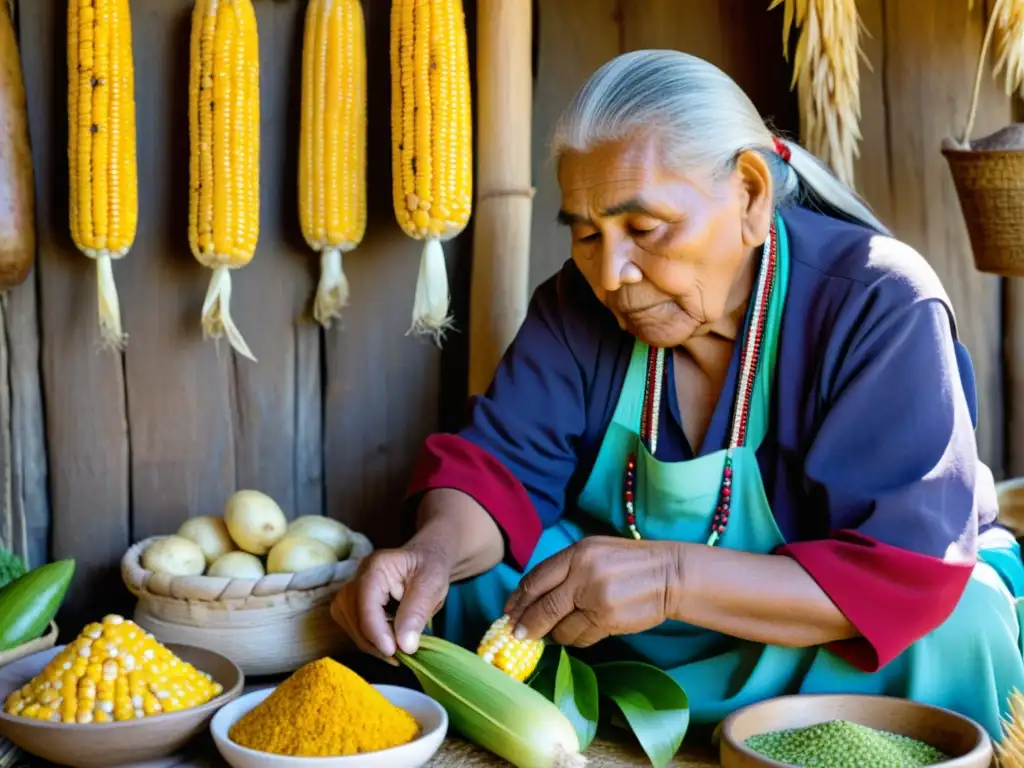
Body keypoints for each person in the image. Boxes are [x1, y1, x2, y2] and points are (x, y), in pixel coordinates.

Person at [331, 49, 1024, 739]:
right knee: (465, 587)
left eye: (643, 229)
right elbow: (495, 469)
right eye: (585, 233)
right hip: (622, 625)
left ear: (750, 195)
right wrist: (435, 550)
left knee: (960, 628)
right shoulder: (579, 305)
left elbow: (900, 571)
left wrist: (669, 579)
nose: (611, 273)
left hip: (808, 629)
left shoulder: (878, 302)